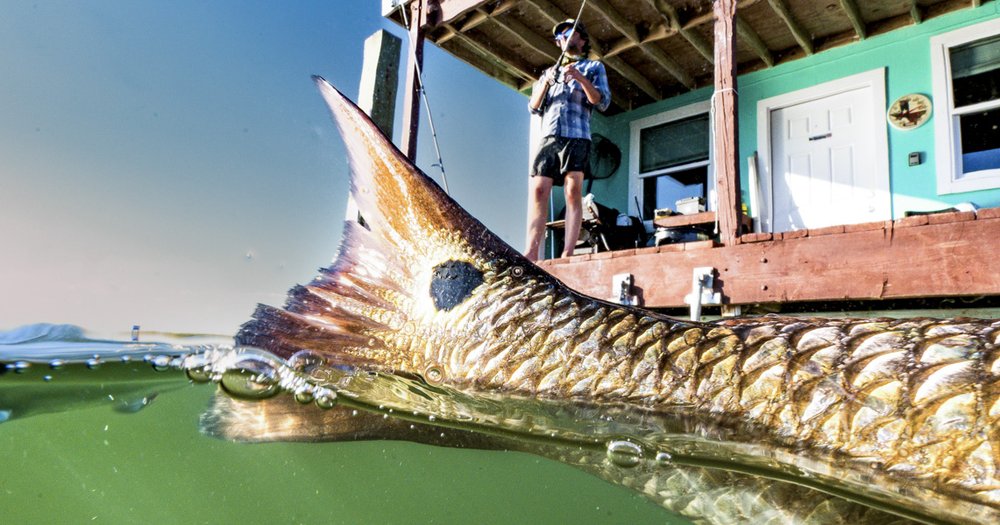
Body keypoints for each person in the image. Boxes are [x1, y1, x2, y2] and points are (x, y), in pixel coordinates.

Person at [525, 19, 611, 262]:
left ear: (582, 40)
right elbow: (533, 107)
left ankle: (568, 252)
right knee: (539, 190)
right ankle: (532, 250)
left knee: (573, 192)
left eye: (570, 32)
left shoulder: (594, 67)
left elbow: (601, 102)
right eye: (561, 35)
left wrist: (581, 79)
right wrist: (545, 84)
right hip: (550, 136)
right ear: (558, 42)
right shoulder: (548, 72)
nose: (565, 36)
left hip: (578, 136)